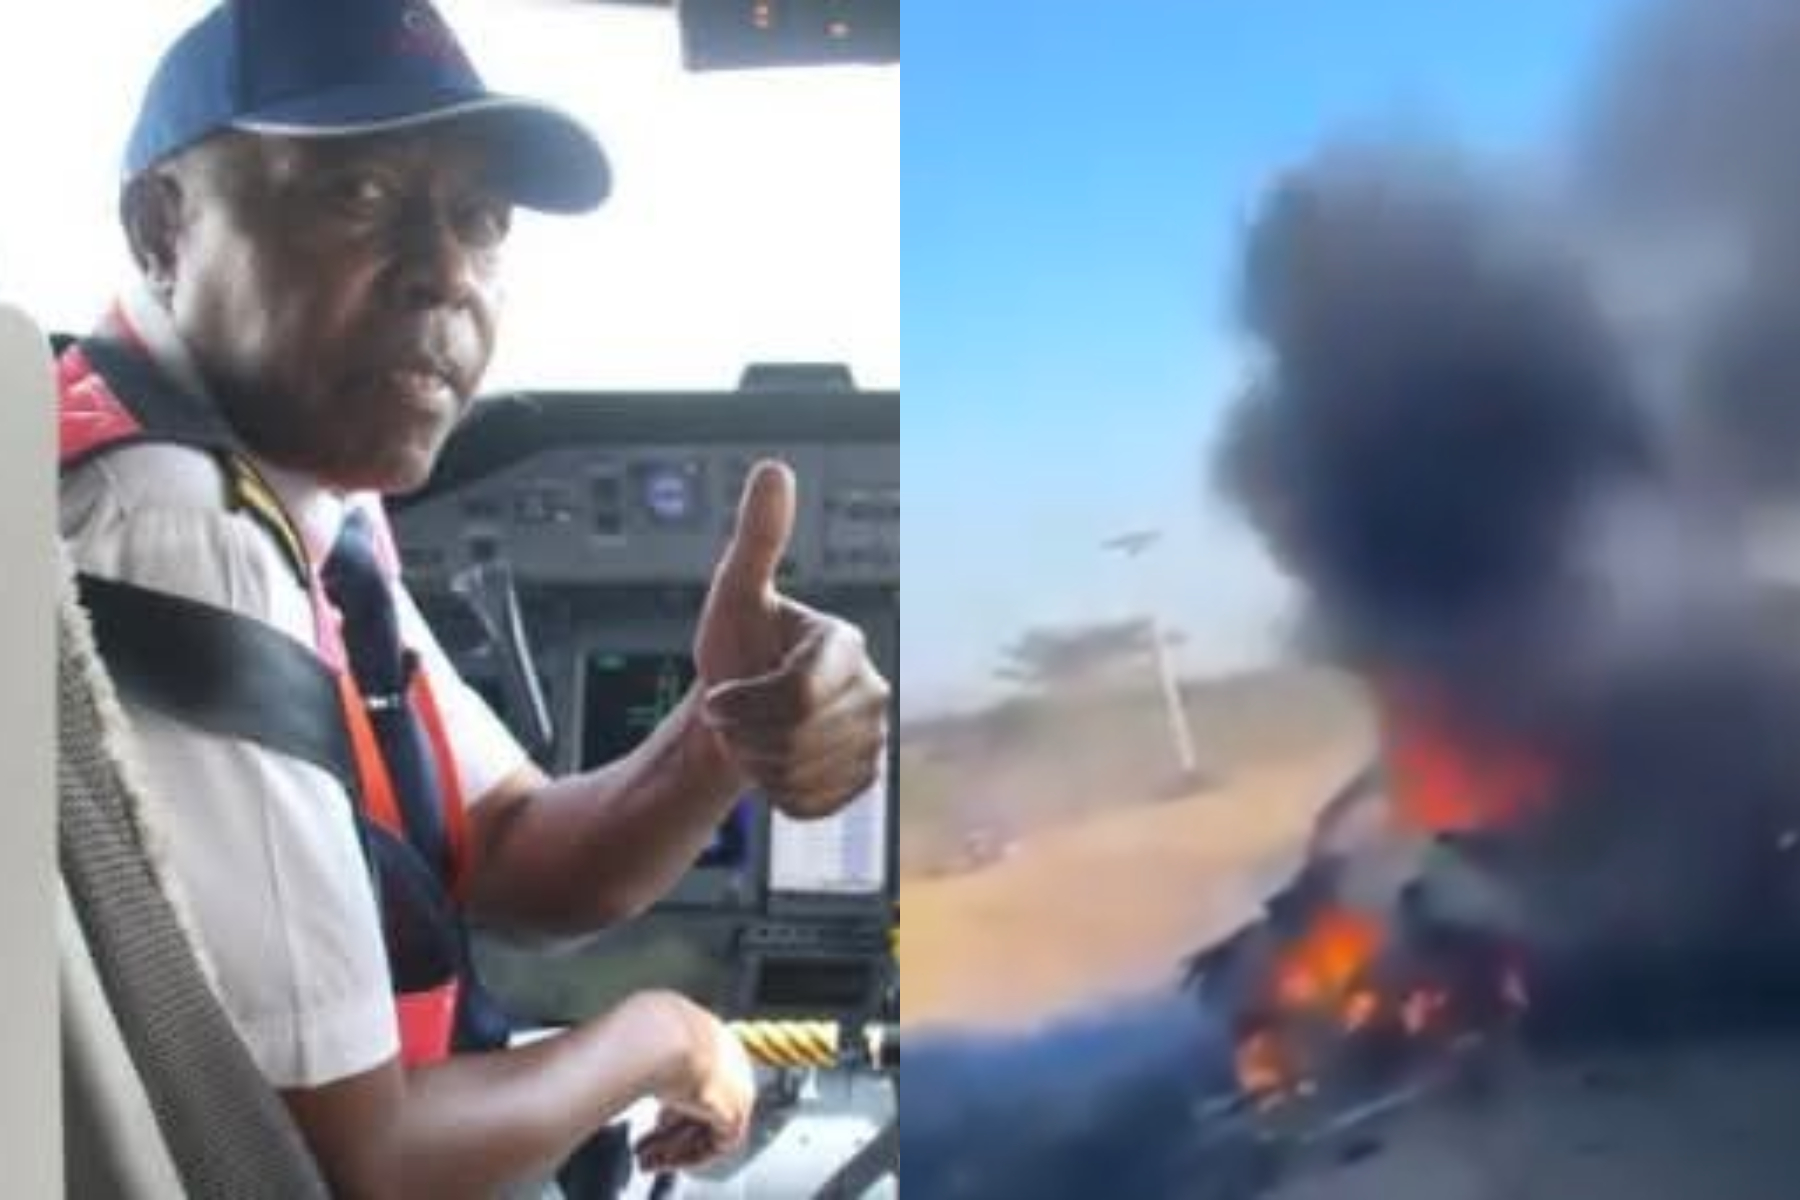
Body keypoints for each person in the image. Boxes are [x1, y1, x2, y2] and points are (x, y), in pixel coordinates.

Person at [56, 1, 891, 1196]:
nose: (444, 267)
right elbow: (366, 1159)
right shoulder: (178, 524)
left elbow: (511, 851)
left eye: (479, 218)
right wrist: (665, 1037)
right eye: (355, 195)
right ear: (163, 227)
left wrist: (726, 721)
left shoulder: (298, 484)